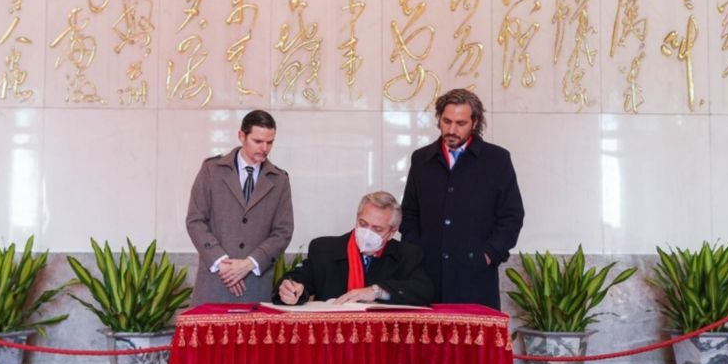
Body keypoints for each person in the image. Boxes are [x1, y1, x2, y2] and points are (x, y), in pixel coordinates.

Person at [400, 89, 524, 310]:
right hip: (428, 277)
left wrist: (488, 255)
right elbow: (409, 213)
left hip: (475, 276)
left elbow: (512, 216)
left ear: (474, 123)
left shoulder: (496, 159)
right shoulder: (421, 159)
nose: (452, 130)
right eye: (447, 121)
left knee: (474, 332)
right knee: (429, 333)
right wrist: (417, 253)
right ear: (439, 119)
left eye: (460, 123)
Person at [186, 110, 293, 305]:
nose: (265, 148)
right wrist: (223, 264)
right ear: (241, 136)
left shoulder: (280, 180)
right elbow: (195, 221)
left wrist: (249, 264)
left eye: (270, 142)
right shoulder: (212, 170)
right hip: (214, 283)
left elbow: (283, 232)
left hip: (255, 286)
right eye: (258, 141)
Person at [273, 191, 433, 306]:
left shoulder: (407, 255)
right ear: (357, 218)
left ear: (392, 232)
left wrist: (377, 291)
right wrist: (290, 289)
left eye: (377, 229)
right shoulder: (325, 249)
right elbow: (298, 278)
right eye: (363, 224)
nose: (367, 232)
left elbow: (424, 291)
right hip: (333, 336)